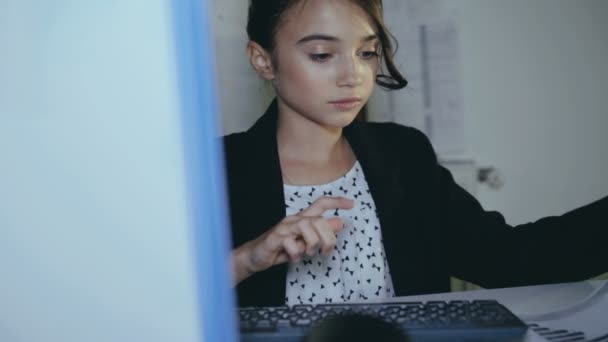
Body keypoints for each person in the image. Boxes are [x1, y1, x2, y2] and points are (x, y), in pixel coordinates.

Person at [223, 0, 607, 307]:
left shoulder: (404, 155)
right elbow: (165, 297)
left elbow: (510, 259)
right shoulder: (213, 171)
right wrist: (247, 259)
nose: (354, 75)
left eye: (367, 52)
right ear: (263, 59)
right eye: (323, 54)